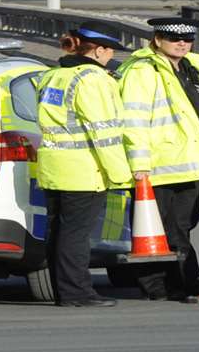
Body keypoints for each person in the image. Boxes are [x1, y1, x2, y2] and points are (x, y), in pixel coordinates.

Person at [116, 16, 199, 301]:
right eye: (174, 38)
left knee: (181, 226)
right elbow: (133, 120)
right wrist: (139, 164)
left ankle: (180, 281)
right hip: (158, 166)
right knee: (155, 231)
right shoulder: (142, 72)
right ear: (157, 40)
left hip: (194, 165)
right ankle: (164, 285)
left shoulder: (196, 70)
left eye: (187, 39)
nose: (182, 43)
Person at [34, 21, 134, 308]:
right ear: (99, 50)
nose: (110, 56)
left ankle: (62, 290)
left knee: (58, 232)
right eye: (110, 51)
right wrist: (120, 175)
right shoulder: (93, 79)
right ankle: (77, 293)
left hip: (54, 166)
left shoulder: (53, 75)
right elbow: (104, 132)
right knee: (76, 235)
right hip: (83, 169)